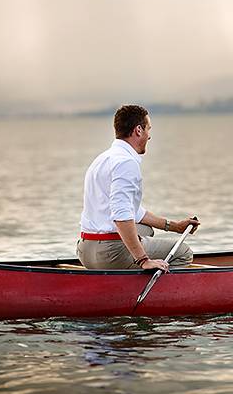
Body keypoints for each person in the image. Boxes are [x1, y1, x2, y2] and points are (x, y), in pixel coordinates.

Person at [77, 104, 200, 271]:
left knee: (146, 230)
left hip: (85, 250)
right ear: (138, 130)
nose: (149, 136)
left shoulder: (102, 159)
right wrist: (143, 260)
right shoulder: (127, 163)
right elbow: (121, 215)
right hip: (110, 253)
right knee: (183, 252)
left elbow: (134, 212)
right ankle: (145, 287)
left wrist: (175, 226)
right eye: (148, 129)